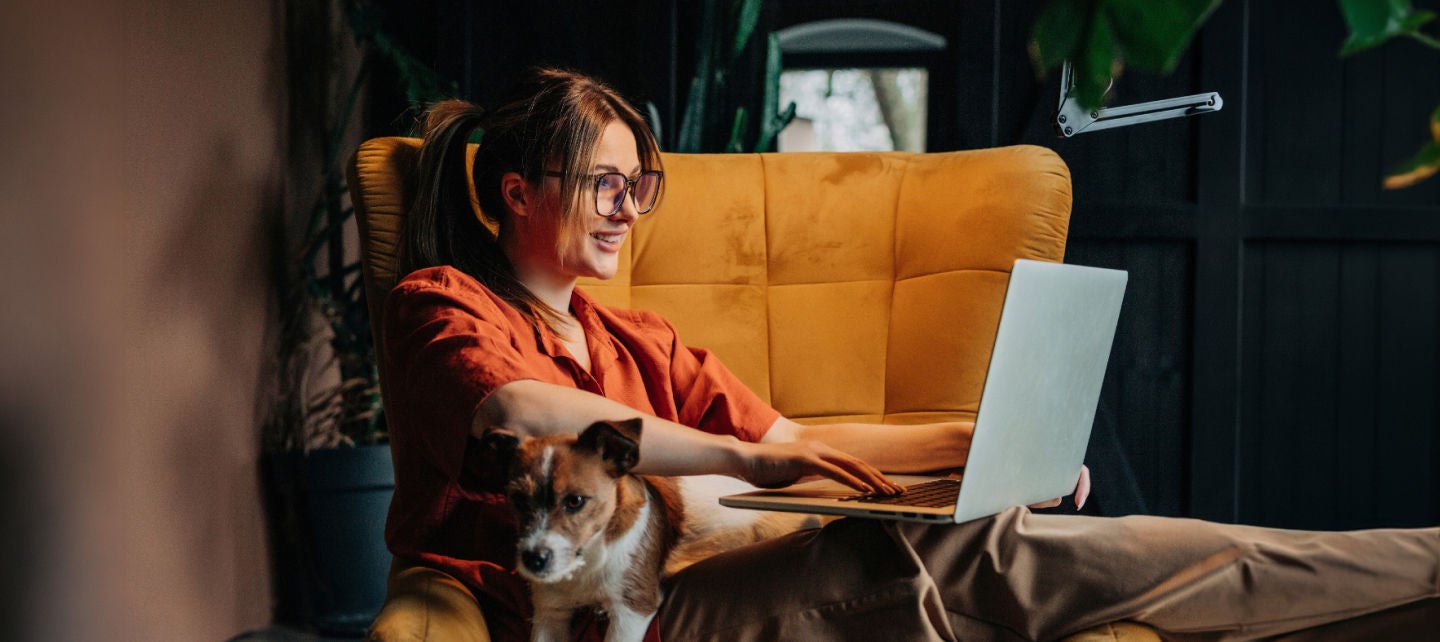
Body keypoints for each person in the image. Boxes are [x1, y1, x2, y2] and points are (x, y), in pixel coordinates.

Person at [374, 67, 1439, 641]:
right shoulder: (444, 305)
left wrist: (968, 441)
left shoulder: (634, 338)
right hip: (616, 616)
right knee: (955, 558)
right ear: (518, 193)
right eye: (604, 183)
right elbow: (514, 413)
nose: (626, 208)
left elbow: (798, 438)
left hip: (709, 579)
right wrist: (743, 460)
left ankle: (1419, 574)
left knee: (1001, 539)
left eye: (636, 186)